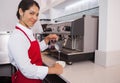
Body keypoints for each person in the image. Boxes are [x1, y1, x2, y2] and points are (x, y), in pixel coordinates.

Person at [8, 0, 63, 83]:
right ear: (21, 11)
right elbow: (27, 70)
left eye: (37, 14)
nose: (35, 18)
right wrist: (53, 70)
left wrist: (46, 39)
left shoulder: (27, 32)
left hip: (35, 79)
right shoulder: (17, 36)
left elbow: (32, 50)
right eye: (31, 13)